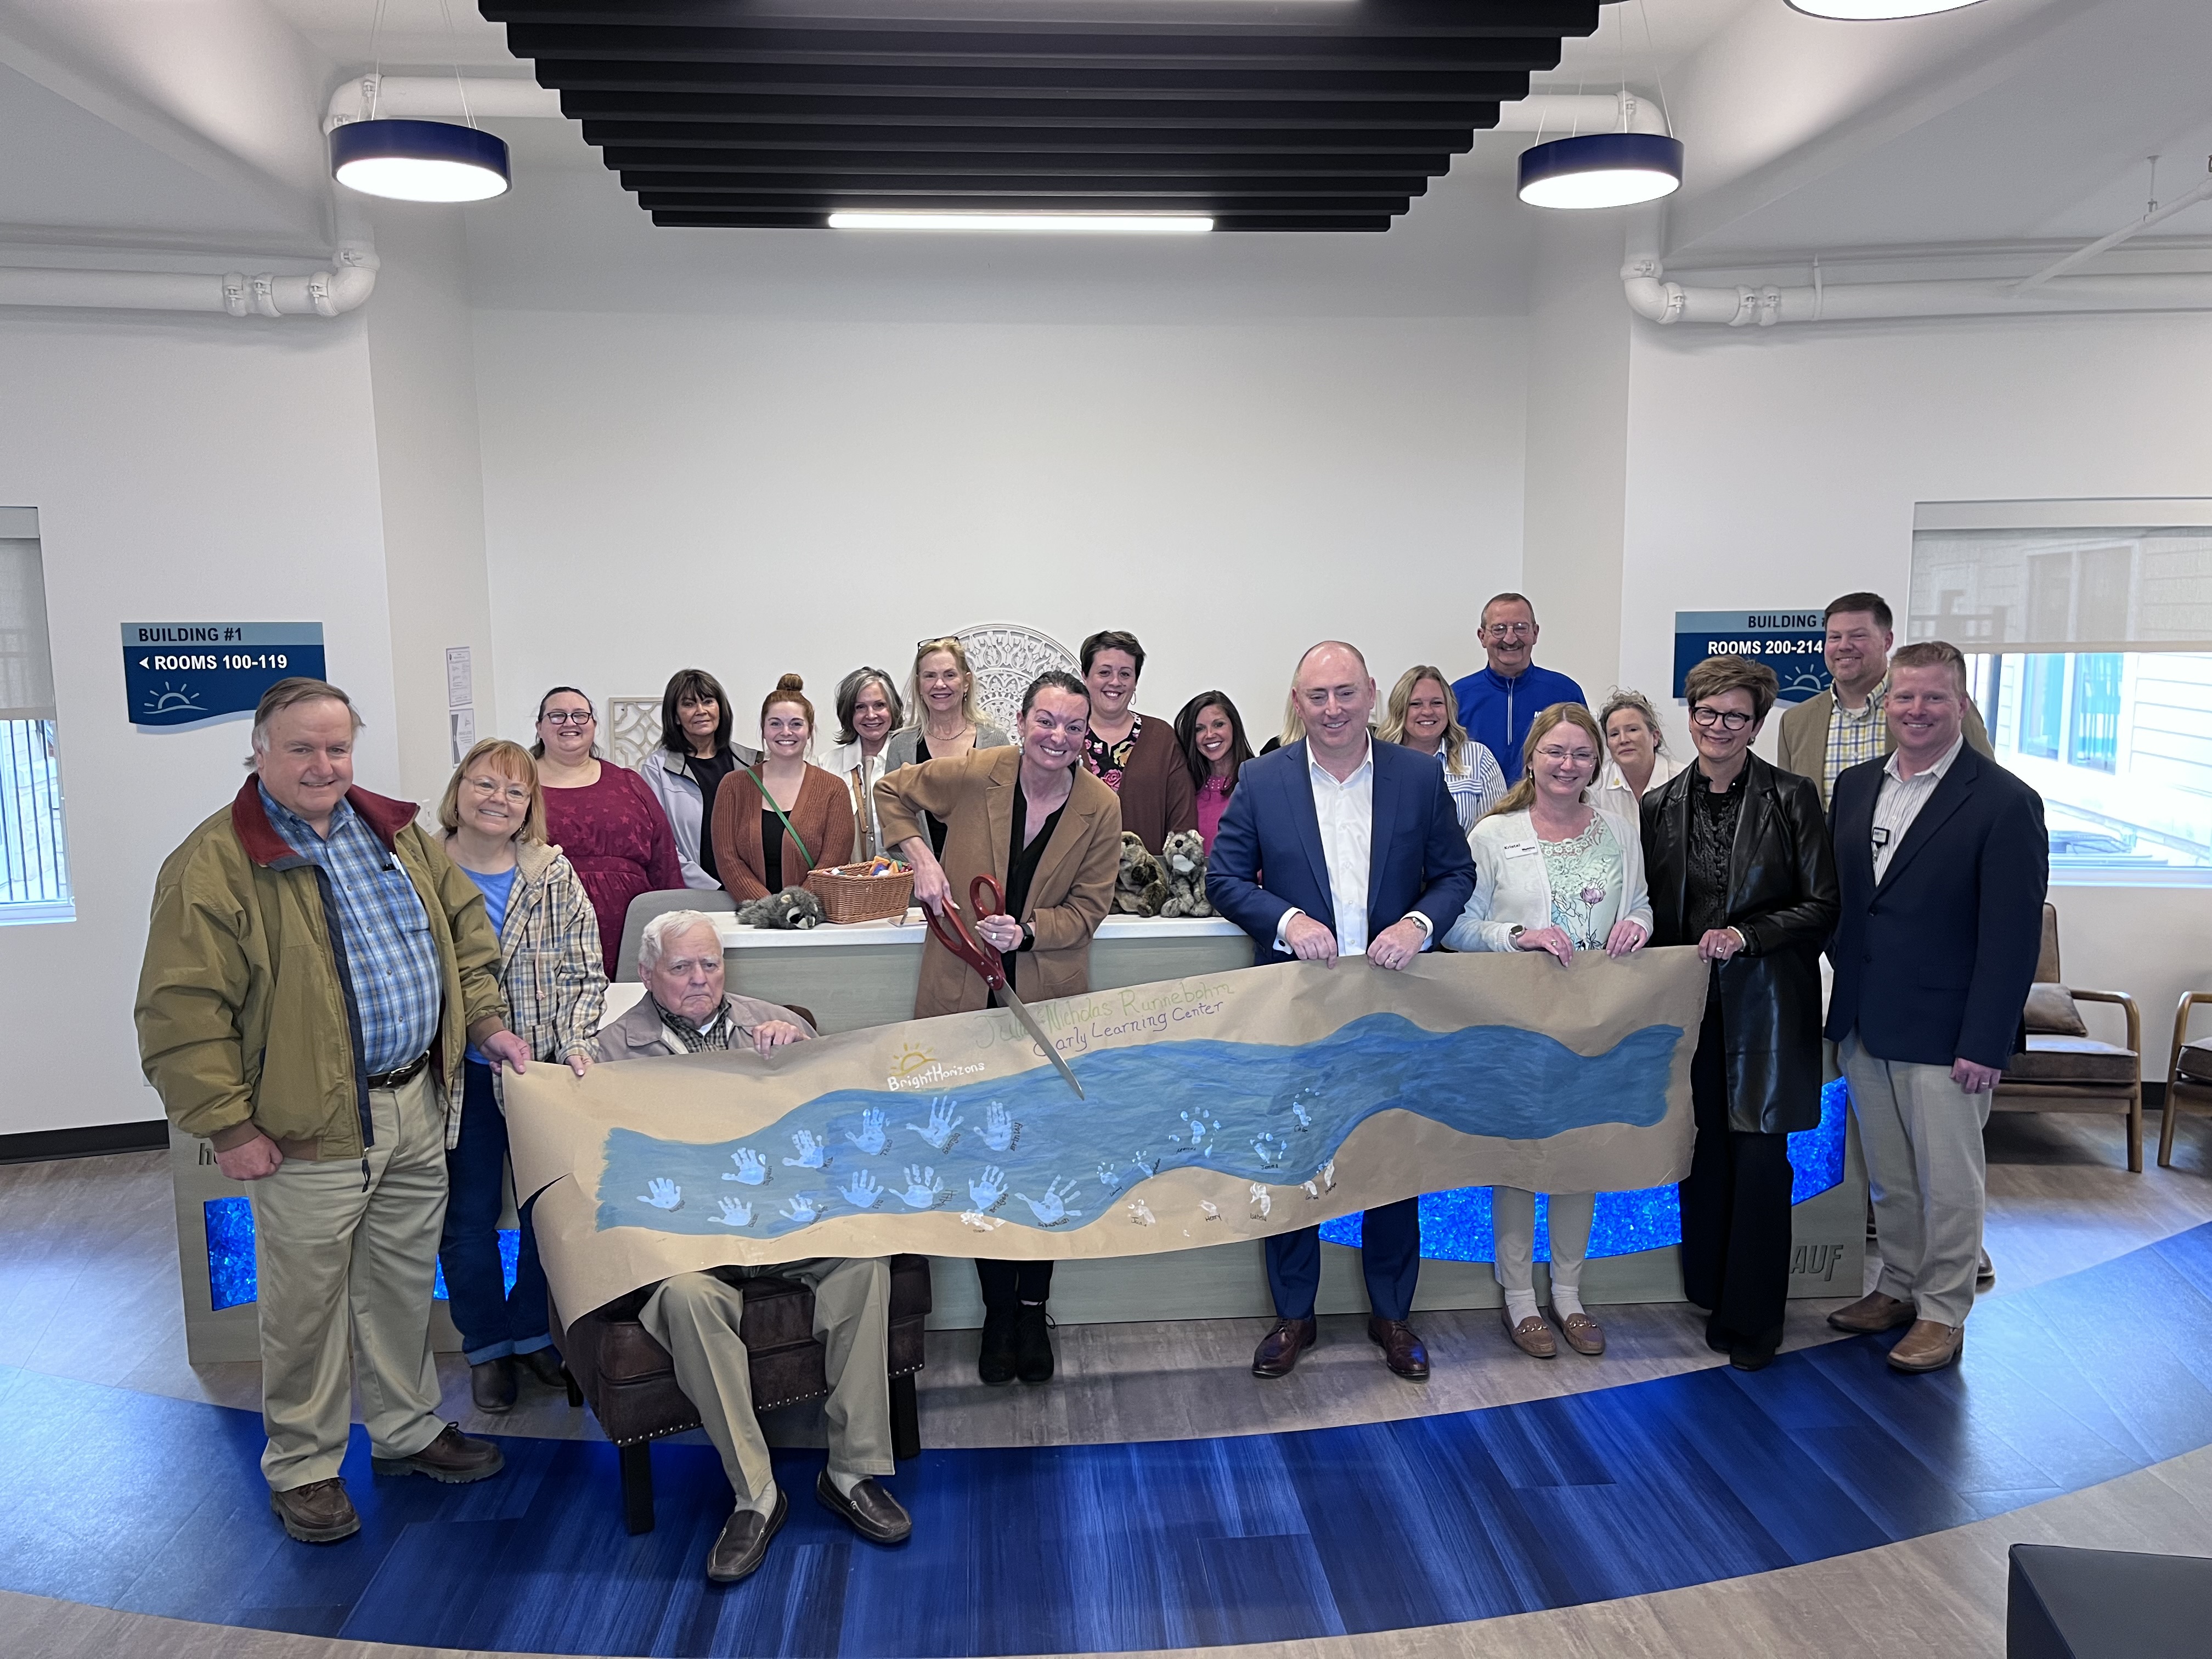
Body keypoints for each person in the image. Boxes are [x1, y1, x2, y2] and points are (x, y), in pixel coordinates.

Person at [135, 678, 522, 1546]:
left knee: (397, 1287)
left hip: (412, 1105)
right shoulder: (215, 861)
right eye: (301, 748)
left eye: (337, 747)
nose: (322, 764)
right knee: (303, 1309)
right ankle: (305, 1467)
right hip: (305, 1129)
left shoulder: (393, 834)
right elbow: (180, 1011)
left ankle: (407, 1431)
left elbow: (465, 936)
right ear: (260, 752)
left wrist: (487, 1022)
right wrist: (229, 1126)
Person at [590, 910, 909, 1582]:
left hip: (786, 1226)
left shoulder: (773, 1020)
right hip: (691, 1247)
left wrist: (802, 1050)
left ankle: (852, 1472)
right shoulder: (614, 1050)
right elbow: (599, 1159)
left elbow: (836, 1111)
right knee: (683, 1299)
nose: (701, 978)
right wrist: (577, 1081)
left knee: (864, 1266)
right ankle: (756, 1495)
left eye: (711, 964)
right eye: (682, 968)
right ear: (647, 975)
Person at [1209, 641, 1477, 1384]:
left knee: (1391, 1164)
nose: (1332, 709)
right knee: (1296, 1163)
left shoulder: (1418, 776)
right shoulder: (1264, 779)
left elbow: (1456, 873)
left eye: (1345, 694)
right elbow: (1224, 878)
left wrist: (1418, 926)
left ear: (1370, 696)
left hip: (1393, 1007)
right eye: (1317, 696)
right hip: (1297, 1006)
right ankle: (1295, 1316)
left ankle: (1393, 1315)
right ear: (1297, 702)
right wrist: (1287, 920)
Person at [874, 671, 1122, 1387]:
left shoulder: (1101, 807)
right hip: (961, 1001)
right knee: (983, 1166)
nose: (1058, 738)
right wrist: (919, 856)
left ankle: (1032, 1307)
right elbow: (890, 793)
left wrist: (1032, 931)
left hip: (1042, 1004)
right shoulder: (980, 772)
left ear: (1087, 735)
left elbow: (1090, 910)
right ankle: (996, 1314)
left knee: (1040, 1164)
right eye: (1046, 721)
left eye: (1073, 728)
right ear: (1020, 721)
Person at [1825, 641, 2046, 1374]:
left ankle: (1945, 1311)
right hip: (1867, 1019)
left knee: (1950, 1183)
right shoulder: (1857, 788)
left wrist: (1986, 1040)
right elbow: (1854, 907)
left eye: (1934, 698)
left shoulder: (2004, 802)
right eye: (1905, 698)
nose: (1917, 711)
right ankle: (1896, 1286)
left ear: (1961, 705)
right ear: (1886, 704)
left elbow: (2011, 939)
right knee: (1888, 1176)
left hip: (1950, 1033)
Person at [1641, 657, 1838, 1373]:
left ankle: (1756, 1323)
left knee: (1760, 1162)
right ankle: (1711, 1296)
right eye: (1706, 713)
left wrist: (1747, 937)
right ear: (1689, 716)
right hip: (1690, 1011)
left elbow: (1822, 905)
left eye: (1735, 717)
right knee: (1706, 1158)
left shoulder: (1793, 799)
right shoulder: (1659, 806)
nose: (1718, 728)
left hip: (1768, 1008)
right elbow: (1651, 910)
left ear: (1757, 725)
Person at [1444, 704, 1650, 1362]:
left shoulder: (1621, 829)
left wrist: (1639, 926)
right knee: (1520, 1163)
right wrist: (1518, 937)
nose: (1568, 765)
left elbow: (1641, 903)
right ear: (1532, 757)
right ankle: (1519, 1300)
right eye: (1556, 752)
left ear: (1597, 763)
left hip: (1597, 1022)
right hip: (1519, 1026)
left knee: (1578, 1160)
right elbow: (1457, 927)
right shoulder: (1494, 835)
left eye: (1582, 755)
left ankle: (1568, 1293)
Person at [433, 739, 607, 1413]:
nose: (497, 802)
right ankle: (486, 1348)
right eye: (484, 785)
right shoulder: (422, 869)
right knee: (468, 1220)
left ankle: (534, 1332)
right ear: (459, 789)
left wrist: (572, 1045)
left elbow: (584, 968)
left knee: (548, 1213)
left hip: (540, 1074)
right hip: (461, 1077)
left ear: (530, 805)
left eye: (514, 792)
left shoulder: (550, 873)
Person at [1777, 591, 1992, 805]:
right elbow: (1788, 809)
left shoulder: (1941, 709)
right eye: (1835, 637)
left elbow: (1985, 783)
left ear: (1887, 641)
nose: (1844, 646)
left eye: (1858, 636)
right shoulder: (1795, 723)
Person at [533, 686, 683, 977]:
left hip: (631, 923)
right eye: (557, 716)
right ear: (539, 727)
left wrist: (674, 920)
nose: (570, 723)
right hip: (547, 923)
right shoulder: (519, 786)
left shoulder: (629, 783)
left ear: (593, 725)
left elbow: (663, 856)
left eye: (580, 715)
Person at [711, 675, 856, 902]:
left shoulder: (833, 790)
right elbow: (727, 858)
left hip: (812, 919)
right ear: (764, 729)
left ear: (809, 731)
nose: (786, 732)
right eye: (776, 723)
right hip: (749, 918)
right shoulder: (733, 786)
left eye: (796, 724)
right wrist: (768, 908)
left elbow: (833, 861)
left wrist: (794, 907)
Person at [881, 637, 1013, 859]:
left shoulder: (995, 742)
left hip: (980, 882)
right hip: (919, 884)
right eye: (930, 676)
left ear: (966, 682)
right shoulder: (901, 746)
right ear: (919, 684)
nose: (939, 684)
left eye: (949, 675)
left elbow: (1006, 819)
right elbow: (893, 819)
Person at [637, 668, 759, 891]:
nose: (701, 711)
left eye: (708, 701)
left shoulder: (754, 763)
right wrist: (711, 887)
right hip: (692, 893)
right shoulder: (657, 769)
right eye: (689, 704)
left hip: (753, 890)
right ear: (675, 716)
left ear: (720, 709)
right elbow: (661, 845)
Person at [1077, 629, 1197, 855]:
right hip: (1074, 883)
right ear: (1085, 676)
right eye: (1104, 672)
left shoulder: (1161, 738)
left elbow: (1183, 821)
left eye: (1125, 674)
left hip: (1145, 883)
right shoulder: (1065, 736)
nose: (1115, 682)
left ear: (1135, 681)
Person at [1449, 593, 1588, 787]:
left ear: (1535, 633)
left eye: (1521, 628)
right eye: (1499, 629)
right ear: (1482, 637)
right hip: (1477, 811)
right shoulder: (1457, 696)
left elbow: (1586, 757)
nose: (1510, 638)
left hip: (1550, 810)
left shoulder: (1565, 693)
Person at [1379, 664, 1506, 832]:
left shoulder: (1478, 758)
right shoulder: (1379, 761)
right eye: (1416, 704)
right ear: (1399, 709)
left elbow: (1498, 830)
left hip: (1467, 858)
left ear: (1449, 708)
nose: (1427, 711)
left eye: (1437, 703)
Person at [829, 667, 905, 861]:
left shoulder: (911, 759)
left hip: (905, 882)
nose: (871, 715)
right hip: (850, 885)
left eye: (879, 705)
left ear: (893, 709)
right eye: (860, 707)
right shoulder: (827, 764)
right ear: (848, 713)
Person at [1173, 690, 1255, 852]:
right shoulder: (1185, 790)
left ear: (1234, 726)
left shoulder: (1258, 782)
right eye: (1199, 729)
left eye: (1218, 724)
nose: (1209, 735)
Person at [1590, 687, 1684, 822]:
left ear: (1655, 737)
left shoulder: (1683, 780)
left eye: (1633, 730)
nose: (1623, 740)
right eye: (1614, 734)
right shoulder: (1596, 787)